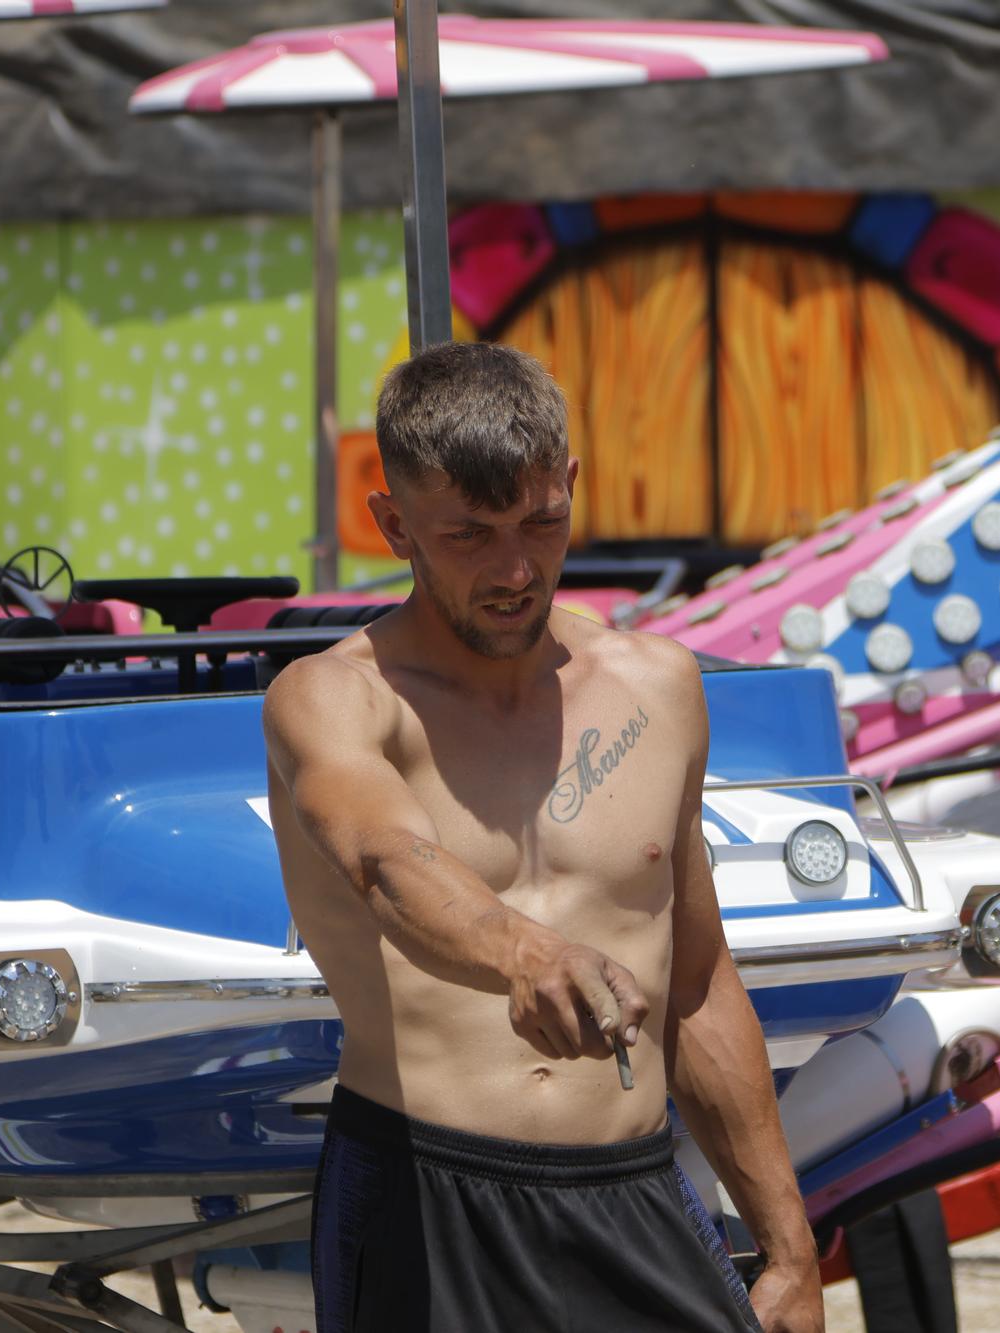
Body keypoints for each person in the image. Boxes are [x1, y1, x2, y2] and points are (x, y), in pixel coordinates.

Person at [262, 341, 819, 1333]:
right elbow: (386, 858)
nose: (515, 567)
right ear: (394, 525)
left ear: (571, 487)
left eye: (541, 521)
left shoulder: (658, 687)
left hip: (632, 1184)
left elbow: (693, 976)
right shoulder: (336, 700)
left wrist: (785, 1242)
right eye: (468, 534)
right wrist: (526, 951)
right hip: (425, 1194)